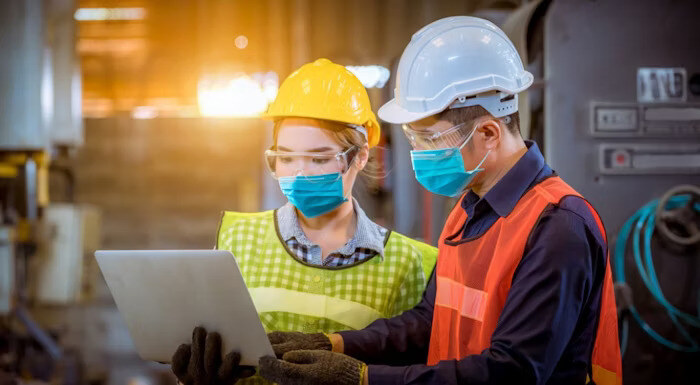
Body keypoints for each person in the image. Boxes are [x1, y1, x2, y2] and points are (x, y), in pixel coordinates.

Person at [257, 16, 622, 385]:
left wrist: (363, 379)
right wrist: (332, 344)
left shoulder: (558, 225)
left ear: (489, 133)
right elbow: (430, 321)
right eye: (414, 140)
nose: (418, 153)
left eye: (429, 139)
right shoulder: (467, 211)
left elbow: (512, 371)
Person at [169, 58, 437, 385]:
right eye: (285, 157)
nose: (298, 173)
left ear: (361, 155)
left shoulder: (413, 264)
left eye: (319, 158)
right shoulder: (236, 239)